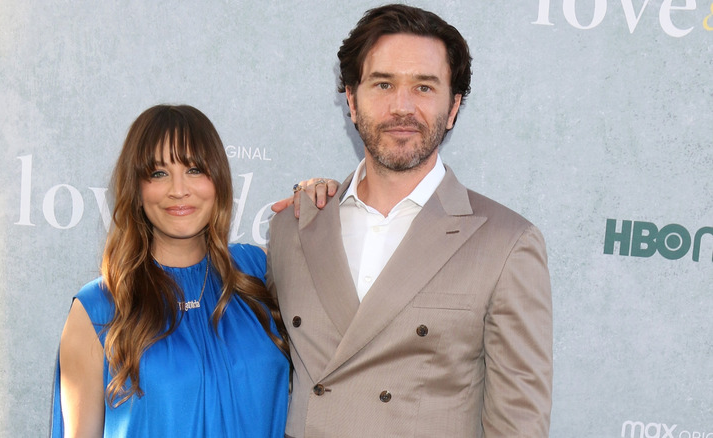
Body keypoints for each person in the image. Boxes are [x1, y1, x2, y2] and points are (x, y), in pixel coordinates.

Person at [267, 4, 553, 437]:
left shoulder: (507, 244)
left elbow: (519, 424)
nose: (402, 107)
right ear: (352, 99)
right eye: (383, 84)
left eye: (424, 87)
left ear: (453, 106)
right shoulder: (294, 227)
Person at [50, 104, 332, 437]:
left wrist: (330, 205)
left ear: (218, 181)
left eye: (195, 169)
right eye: (158, 173)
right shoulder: (97, 308)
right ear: (136, 190)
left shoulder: (259, 272)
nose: (178, 189)